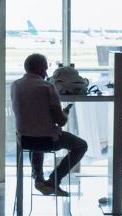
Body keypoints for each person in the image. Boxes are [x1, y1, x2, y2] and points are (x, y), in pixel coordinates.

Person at [10, 53, 89, 196]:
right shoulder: (47, 87)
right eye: (45, 69)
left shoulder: (15, 85)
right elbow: (61, 121)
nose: (46, 73)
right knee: (81, 146)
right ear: (40, 69)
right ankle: (54, 180)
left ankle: (39, 179)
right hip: (47, 140)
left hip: (24, 140)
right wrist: (65, 113)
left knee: (35, 134)